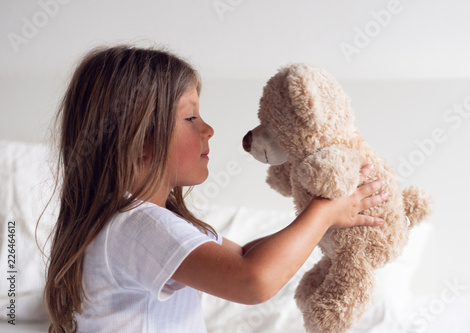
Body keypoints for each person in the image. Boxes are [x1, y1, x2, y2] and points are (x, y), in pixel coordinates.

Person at [43, 45, 388, 333]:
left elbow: (243, 258)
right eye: (190, 117)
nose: (208, 129)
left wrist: (319, 220)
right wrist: (323, 212)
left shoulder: (132, 221)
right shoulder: (137, 226)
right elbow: (253, 280)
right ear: (137, 140)